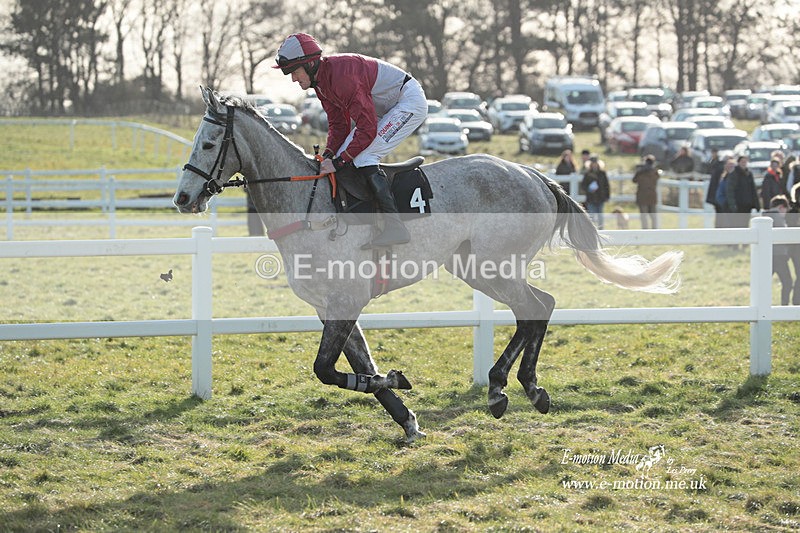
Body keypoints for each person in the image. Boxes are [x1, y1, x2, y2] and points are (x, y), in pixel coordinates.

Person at [273, 33, 428, 249]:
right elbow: (340, 126)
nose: (292, 79)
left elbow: (366, 129)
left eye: (294, 72)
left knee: (364, 155)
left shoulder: (342, 77)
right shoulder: (321, 84)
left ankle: (395, 226)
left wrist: (339, 162)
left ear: (309, 64)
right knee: (343, 156)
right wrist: (329, 155)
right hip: (386, 108)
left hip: (408, 101)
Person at [763, 195, 793, 305]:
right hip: (779, 255)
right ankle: (784, 306)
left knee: (763, 283)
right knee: (787, 282)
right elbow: (784, 237)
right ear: (781, 207)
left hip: (767, 256)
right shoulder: (778, 218)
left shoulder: (765, 216)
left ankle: (761, 305)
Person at [725, 155, 759, 229]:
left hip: (747, 205)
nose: (744, 163)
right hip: (738, 205)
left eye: (745, 162)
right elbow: (730, 190)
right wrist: (732, 205)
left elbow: (753, 189)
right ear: (738, 162)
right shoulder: (734, 174)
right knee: (737, 225)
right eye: (742, 162)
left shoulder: (749, 174)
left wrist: (756, 204)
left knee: (746, 225)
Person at [581, 155, 610, 229]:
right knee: (592, 216)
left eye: (595, 163)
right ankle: (593, 230)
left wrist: (607, 196)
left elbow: (606, 185)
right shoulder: (587, 174)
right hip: (591, 197)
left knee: (600, 216)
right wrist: (589, 189)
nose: (594, 165)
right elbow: (583, 186)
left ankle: (601, 230)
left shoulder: (602, 173)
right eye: (593, 163)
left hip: (601, 197)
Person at [633, 154, 660, 229]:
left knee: (644, 216)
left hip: (642, 196)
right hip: (652, 196)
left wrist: (640, 170)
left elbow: (634, 180)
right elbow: (658, 177)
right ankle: (655, 231)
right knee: (653, 216)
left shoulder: (641, 172)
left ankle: (645, 231)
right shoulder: (654, 172)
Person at [706, 152, 728, 228]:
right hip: (720, 198)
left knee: (720, 218)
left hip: (717, 198)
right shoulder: (720, 170)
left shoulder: (717, 168)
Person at [714, 157, 735, 228]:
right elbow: (719, 195)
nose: (731, 167)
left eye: (732, 166)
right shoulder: (724, 179)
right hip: (727, 207)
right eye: (729, 166)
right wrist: (726, 204)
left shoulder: (737, 178)